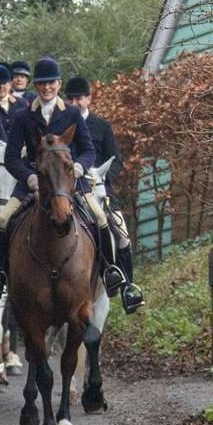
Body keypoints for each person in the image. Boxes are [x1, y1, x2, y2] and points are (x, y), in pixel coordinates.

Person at [0, 56, 96, 300]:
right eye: (42, 84)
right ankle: (0, 274)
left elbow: (89, 150)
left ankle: (112, 272)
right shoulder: (23, 116)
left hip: (69, 182)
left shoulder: (72, 114)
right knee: (3, 220)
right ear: (35, 86)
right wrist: (29, 178)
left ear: (59, 84)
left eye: (51, 83)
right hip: (33, 183)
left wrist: (78, 167)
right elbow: (11, 157)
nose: (47, 88)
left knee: (100, 218)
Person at [66, 75, 143, 312]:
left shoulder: (102, 126)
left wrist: (102, 178)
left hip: (99, 190)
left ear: (89, 99)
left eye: (80, 97)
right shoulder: (61, 127)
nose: (76, 102)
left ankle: (128, 287)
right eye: (71, 98)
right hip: (69, 191)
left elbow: (117, 161)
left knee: (122, 234)